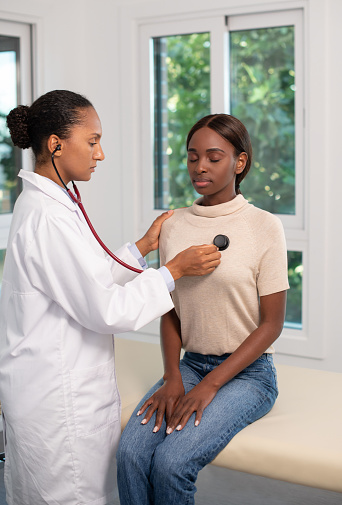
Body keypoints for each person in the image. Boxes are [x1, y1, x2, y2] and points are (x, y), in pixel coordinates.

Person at [0, 90, 221, 505]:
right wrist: (174, 271)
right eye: (93, 140)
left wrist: (141, 246)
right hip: (56, 400)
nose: (100, 154)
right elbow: (105, 308)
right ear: (56, 144)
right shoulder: (47, 218)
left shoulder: (54, 204)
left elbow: (87, 278)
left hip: (53, 387)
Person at [117, 113, 290, 505]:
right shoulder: (174, 225)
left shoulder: (264, 227)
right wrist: (172, 376)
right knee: (130, 453)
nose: (200, 166)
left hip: (250, 374)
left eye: (214, 157)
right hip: (191, 365)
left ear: (239, 162)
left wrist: (211, 386)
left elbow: (272, 324)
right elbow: (169, 309)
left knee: (171, 463)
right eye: (193, 156)